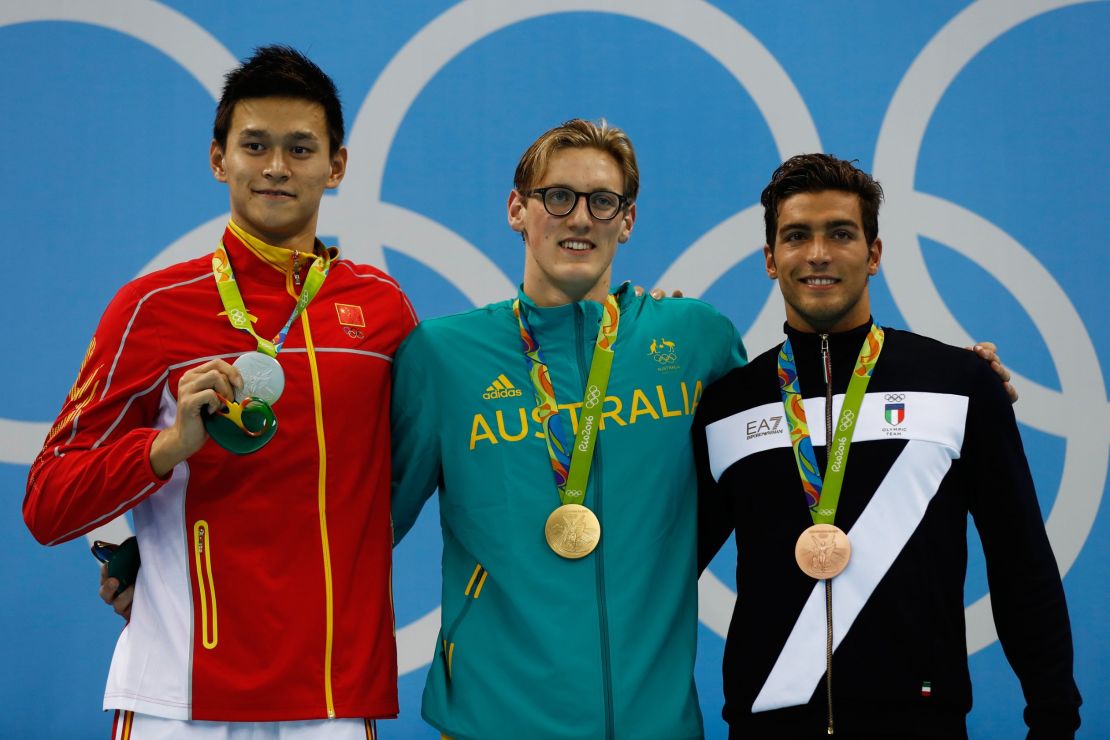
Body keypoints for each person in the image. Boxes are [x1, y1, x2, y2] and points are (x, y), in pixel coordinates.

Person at [23, 46, 414, 737]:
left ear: (338, 165)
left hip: (330, 695)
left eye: (300, 148)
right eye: (254, 145)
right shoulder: (151, 307)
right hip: (179, 692)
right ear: (218, 159)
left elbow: (432, 460)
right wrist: (166, 450)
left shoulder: (382, 310)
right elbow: (48, 502)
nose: (274, 167)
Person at [693, 153, 1081, 738]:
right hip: (765, 725)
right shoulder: (728, 406)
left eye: (841, 234)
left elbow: (1021, 564)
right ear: (771, 260)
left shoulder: (960, 384)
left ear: (874, 254)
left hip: (921, 722)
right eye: (796, 236)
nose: (819, 254)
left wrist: (1054, 721)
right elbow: (658, 569)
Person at [389, 119, 747, 739]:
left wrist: (963, 379)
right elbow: (365, 520)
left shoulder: (695, 339)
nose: (580, 218)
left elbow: (785, 455)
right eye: (558, 197)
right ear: (517, 210)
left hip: (654, 723)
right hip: (492, 720)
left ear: (627, 220)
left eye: (602, 201)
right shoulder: (443, 356)